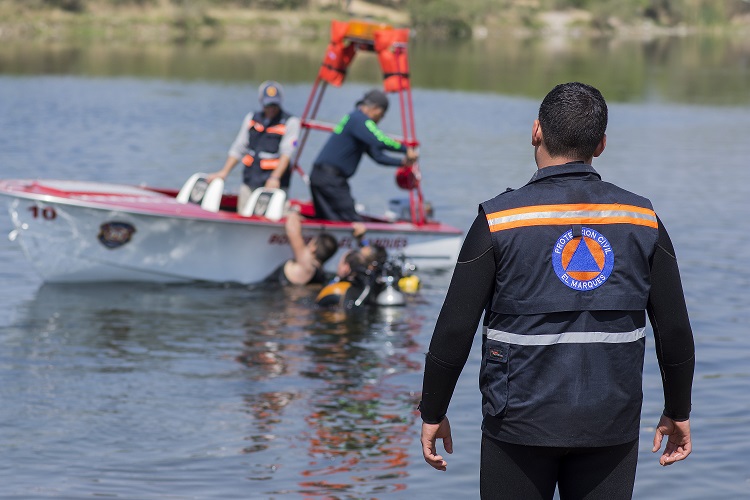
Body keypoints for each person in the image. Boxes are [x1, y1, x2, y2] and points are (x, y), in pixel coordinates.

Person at [418, 82, 695, 499]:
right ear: (600, 144)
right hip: (610, 422)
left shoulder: (498, 221)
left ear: (536, 131)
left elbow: (455, 329)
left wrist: (433, 410)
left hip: (517, 425)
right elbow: (673, 330)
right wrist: (678, 409)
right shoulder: (643, 219)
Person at [309, 89, 419, 221]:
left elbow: (377, 156)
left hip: (319, 176)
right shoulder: (360, 120)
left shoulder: (355, 121)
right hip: (331, 180)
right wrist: (405, 149)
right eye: (382, 115)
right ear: (377, 109)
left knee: (329, 221)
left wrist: (402, 162)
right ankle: (364, 242)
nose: (380, 120)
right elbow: (380, 140)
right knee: (353, 223)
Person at [207, 80, 301, 211]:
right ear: (261, 101)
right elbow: (239, 148)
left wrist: (275, 177)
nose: (272, 109)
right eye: (268, 104)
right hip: (250, 180)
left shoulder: (290, 122)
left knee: (275, 215)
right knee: (243, 212)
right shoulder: (252, 118)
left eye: (275, 104)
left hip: (274, 186)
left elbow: (287, 153)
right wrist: (224, 172)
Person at [264, 211, 338, 286]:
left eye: (310, 242)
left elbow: (292, 228)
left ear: (313, 248)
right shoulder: (321, 276)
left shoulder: (306, 266)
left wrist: (295, 213)